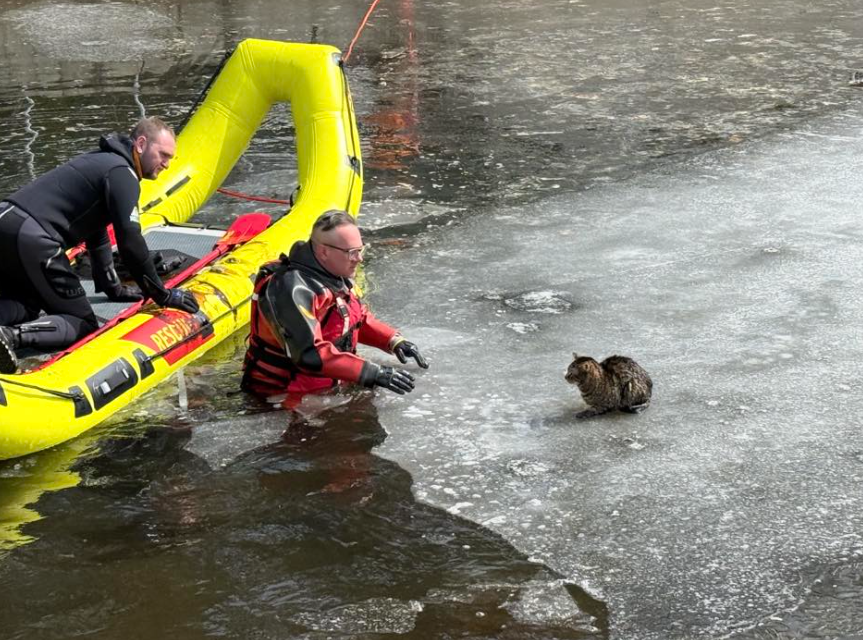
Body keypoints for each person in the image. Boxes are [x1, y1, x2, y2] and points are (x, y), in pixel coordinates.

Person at [0, 116, 200, 374]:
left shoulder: (102, 161)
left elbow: (95, 229)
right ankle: (7, 336)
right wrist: (162, 294)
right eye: (163, 155)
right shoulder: (123, 174)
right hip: (33, 237)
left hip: (6, 221)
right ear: (140, 144)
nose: (167, 164)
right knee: (82, 324)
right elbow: (130, 242)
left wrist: (112, 287)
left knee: (26, 303)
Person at [241, 209, 428, 399]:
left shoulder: (334, 274)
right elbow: (309, 354)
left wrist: (392, 340)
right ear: (324, 252)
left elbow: (354, 319)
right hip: (284, 397)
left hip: (327, 389)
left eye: (360, 250)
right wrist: (371, 373)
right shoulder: (291, 290)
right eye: (352, 252)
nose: (359, 258)